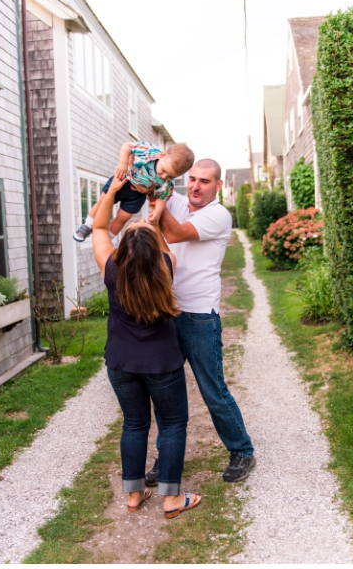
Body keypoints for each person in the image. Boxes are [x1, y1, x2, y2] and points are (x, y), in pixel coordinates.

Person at [91, 172, 201, 519]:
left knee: (134, 424)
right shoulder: (166, 265)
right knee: (172, 424)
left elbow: (97, 228)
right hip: (162, 363)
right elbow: (165, 246)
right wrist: (155, 218)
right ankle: (171, 499)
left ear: (123, 248)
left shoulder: (111, 268)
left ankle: (134, 495)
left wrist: (111, 191)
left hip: (121, 364)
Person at [147, 159, 256, 484]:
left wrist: (161, 198)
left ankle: (242, 450)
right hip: (167, 314)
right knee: (164, 393)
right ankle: (164, 460)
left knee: (213, 390)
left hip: (199, 318)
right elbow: (156, 190)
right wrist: (154, 173)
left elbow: (174, 232)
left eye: (204, 181)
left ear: (218, 186)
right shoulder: (179, 202)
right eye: (191, 179)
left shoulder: (219, 215)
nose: (195, 186)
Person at [73, 142, 194, 242]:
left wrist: (157, 212)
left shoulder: (168, 183)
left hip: (138, 194)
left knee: (123, 217)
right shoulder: (150, 152)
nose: (164, 176)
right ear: (162, 155)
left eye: (170, 176)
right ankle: (87, 225)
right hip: (123, 180)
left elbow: (162, 198)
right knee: (102, 202)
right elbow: (127, 146)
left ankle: (108, 237)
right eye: (163, 170)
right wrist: (123, 163)